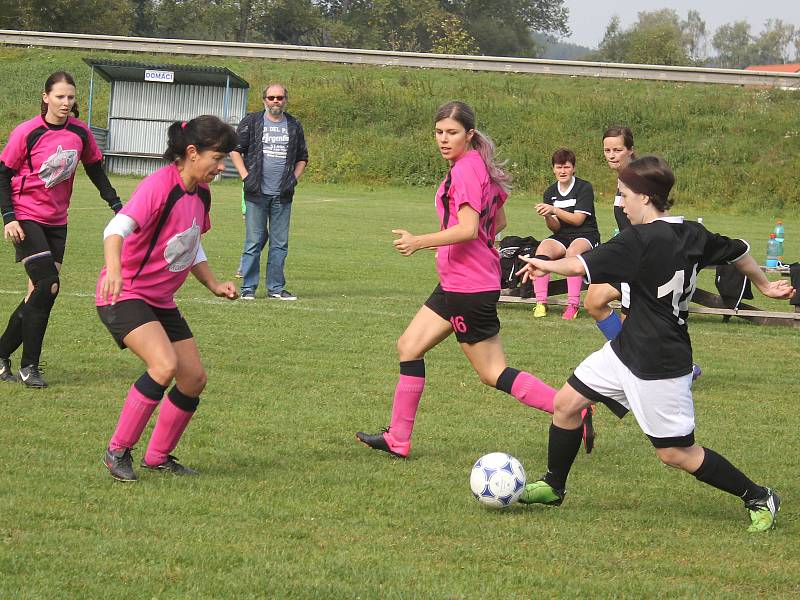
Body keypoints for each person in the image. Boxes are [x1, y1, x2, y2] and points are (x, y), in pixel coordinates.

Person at [516, 156, 793, 532]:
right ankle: (554, 485)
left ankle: (758, 495)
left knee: (675, 452)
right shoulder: (693, 233)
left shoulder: (639, 239)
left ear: (645, 197)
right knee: (566, 404)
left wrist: (544, 263)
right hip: (627, 348)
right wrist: (763, 285)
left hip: (659, 360)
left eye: (624, 195)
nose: (621, 203)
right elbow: (740, 249)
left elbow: (578, 265)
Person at [356, 101, 590, 459]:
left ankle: (573, 409)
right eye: (438, 132)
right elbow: (498, 223)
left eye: (452, 133)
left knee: (492, 372)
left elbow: (467, 228)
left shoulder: (466, 170)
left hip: (468, 287)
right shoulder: (477, 166)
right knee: (409, 347)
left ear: (470, 134)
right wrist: (472, 245)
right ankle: (398, 439)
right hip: (457, 282)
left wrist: (421, 241)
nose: (443, 140)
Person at [98, 115, 238, 482]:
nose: (221, 166)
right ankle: (117, 450)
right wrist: (114, 270)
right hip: (123, 294)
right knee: (164, 366)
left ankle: (158, 456)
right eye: (217, 157)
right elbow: (115, 229)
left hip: (160, 300)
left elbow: (191, 242)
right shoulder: (159, 186)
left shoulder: (201, 193)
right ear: (192, 152)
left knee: (193, 379)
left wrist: (212, 283)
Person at [0, 71, 121, 388]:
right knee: (48, 285)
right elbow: (3, 174)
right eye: (59, 97)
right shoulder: (27, 132)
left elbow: (95, 169)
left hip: (57, 221)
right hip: (26, 216)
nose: (66, 102)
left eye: (70, 97)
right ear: (46, 97)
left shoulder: (80, 133)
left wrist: (118, 206)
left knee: (39, 294)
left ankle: (0, 356)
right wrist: (9, 217)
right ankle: (29, 367)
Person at [231, 83, 308, 301]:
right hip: (256, 193)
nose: (276, 101)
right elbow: (236, 150)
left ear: (286, 100)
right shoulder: (252, 122)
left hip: (282, 195)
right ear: (264, 100)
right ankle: (248, 288)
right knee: (254, 241)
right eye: (272, 97)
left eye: (280, 97)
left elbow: (302, 157)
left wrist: (292, 179)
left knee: (279, 244)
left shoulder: (293, 124)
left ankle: (275, 288)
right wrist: (246, 176)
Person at [530, 148, 599, 320]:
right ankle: (540, 302)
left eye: (566, 167)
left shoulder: (584, 187)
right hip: (563, 235)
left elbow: (578, 220)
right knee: (542, 250)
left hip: (586, 234)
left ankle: (572, 304)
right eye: (559, 167)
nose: (562, 171)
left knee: (572, 254)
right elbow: (555, 228)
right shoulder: (550, 192)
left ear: (573, 168)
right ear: (553, 169)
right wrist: (547, 215)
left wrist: (554, 209)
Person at [582, 126, 635, 340]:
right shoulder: (623, 177)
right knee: (594, 301)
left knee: (634, 323)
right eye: (607, 150)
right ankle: (625, 355)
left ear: (630, 150)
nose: (611, 156)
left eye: (617, 150)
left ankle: (680, 366)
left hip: (641, 259)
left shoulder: (638, 178)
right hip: (626, 255)